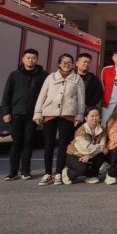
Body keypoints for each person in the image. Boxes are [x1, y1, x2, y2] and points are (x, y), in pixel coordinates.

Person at [34, 54, 86, 186]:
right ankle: (47, 173)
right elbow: (42, 96)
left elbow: (81, 99)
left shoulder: (77, 79)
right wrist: (38, 113)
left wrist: (79, 115)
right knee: (49, 144)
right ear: (59, 64)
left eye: (69, 62)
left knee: (63, 144)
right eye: (63, 62)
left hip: (68, 114)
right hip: (50, 113)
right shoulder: (51, 77)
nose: (66, 65)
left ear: (73, 64)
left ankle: (58, 172)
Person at [2, 49, 48, 181]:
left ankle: (25, 171)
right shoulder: (14, 75)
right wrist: (6, 112)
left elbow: (46, 94)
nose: (30, 60)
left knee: (28, 142)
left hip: (33, 115)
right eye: (28, 58)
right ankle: (12, 172)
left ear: (37, 60)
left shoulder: (43, 75)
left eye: (33, 58)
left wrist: (41, 113)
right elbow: (7, 94)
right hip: (16, 113)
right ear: (23, 59)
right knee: (16, 143)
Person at [61, 106, 107, 185]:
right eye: (92, 116)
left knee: (102, 154)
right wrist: (87, 154)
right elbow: (85, 148)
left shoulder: (102, 130)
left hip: (90, 154)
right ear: (86, 118)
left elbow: (102, 145)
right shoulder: (80, 130)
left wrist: (89, 155)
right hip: (75, 154)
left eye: (97, 116)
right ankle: (67, 174)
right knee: (83, 169)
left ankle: (92, 176)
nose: (94, 118)